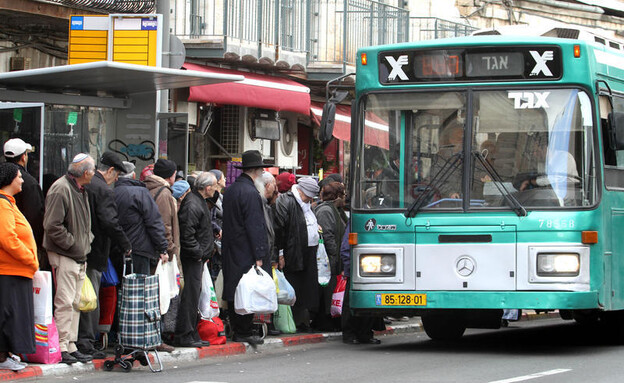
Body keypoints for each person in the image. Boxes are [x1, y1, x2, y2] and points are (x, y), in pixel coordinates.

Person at [77, 152, 132, 359]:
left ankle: (80, 338)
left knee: (79, 296)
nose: (116, 179)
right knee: (91, 298)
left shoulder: (84, 184)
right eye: (116, 175)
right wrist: (125, 243)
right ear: (109, 171)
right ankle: (87, 340)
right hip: (96, 250)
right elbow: (110, 222)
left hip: (79, 248)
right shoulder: (102, 189)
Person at [115, 162, 173, 351]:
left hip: (119, 249)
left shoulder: (112, 192)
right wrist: (163, 248)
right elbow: (154, 222)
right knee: (143, 297)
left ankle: (121, 335)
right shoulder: (139, 193)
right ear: (132, 176)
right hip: (140, 250)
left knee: (122, 296)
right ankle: (143, 338)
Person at [43, 153, 95, 364]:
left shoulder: (78, 189)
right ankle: (63, 345)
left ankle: (70, 344)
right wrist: (74, 244)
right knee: (65, 301)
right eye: (92, 170)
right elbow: (52, 226)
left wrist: (85, 242)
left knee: (75, 302)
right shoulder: (61, 189)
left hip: (76, 253)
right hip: (66, 254)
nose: (93, 174)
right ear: (85, 173)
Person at [222, 150, 271, 345]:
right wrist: (259, 254)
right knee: (247, 289)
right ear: (257, 171)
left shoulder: (232, 189)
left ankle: (237, 328)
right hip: (246, 250)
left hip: (231, 247)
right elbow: (255, 226)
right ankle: (243, 330)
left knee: (235, 289)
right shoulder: (251, 193)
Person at [0, 163, 39, 371]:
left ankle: (7, 355)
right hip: (10, 270)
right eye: (19, 177)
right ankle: (2, 357)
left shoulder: (9, 203)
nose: (22, 179)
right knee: (8, 316)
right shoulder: (2, 204)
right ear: (9, 180)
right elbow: (7, 238)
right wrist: (30, 259)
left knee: (13, 316)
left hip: (17, 270)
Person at [174, 172, 218, 347]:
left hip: (198, 257)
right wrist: (199, 253)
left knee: (194, 294)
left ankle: (190, 332)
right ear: (207, 188)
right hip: (193, 258)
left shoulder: (196, 202)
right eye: (214, 186)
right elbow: (187, 234)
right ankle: (184, 333)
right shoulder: (193, 204)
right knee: (191, 296)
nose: (216, 189)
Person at [274, 176, 320, 332]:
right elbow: (279, 229)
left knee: (306, 287)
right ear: (301, 191)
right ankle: (294, 320)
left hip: (308, 250)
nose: (310, 199)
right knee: (295, 285)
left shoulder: (305, 204)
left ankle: (303, 321)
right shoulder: (286, 201)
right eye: (308, 195)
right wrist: (280, 253)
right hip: (293, 251)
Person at [3, 138, 46, 270]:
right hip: (22, 251)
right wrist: (31, 255)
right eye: (19, 178)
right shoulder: (29, 183)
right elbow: (36, 217)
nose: (21, 181)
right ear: (23, 157)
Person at [340, 218, 381, 345]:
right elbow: (345, 248)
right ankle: (349, 333)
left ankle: (365, 333)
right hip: (357, 268)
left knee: (369, 302)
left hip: (371, 266)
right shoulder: (355, 222)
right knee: (351, 303)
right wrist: (350, 267)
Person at [313, 180, 347, 331]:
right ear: (337, 196)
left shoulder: (336, 210)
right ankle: (324, 320)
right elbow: (327, 236)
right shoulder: (326, 211)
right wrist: (335, 255)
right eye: (343, 194)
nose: (345, 197)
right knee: (326, 292)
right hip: (328, 260)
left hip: (334, 258)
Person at [144, 159, 178, 272]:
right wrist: (169, 248)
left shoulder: (149, 187)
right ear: (170, 175)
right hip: (160, 251)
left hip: (151, 246)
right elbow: (165, 224)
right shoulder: (164, 193)